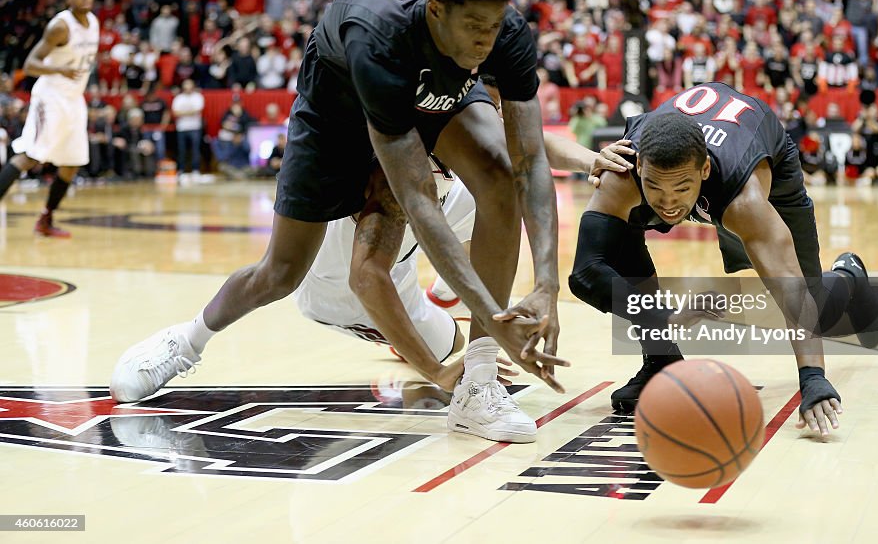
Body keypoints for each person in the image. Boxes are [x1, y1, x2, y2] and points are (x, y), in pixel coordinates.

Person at [110, 0, 567, 440]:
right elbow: (417, 197)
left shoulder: (504, 29)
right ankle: (186, 340)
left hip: (426, 87)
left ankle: (478, 384)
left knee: (499, 178)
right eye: (475, 27)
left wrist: (547, 285)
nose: (487, 40)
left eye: (495, 26)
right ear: (436, 10)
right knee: (281, 271)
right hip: (339, 107)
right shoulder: (377, 36)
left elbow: (530, 159)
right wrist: (492, 314)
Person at [112, 100, 631, 443]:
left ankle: (450, 296)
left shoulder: (466, 141)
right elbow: (368, 277)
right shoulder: (394, 168)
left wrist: (590, 160)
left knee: (491, 217)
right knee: (271, 275)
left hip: (401, 283)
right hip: (341, 294)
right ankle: (185, 340)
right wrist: (435, 372)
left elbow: (529, 145)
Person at [569, 82, 878, 437]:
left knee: (815, 307)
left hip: (763, 159)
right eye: (655, 187)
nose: (669, 203)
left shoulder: (745, 201)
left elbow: (791, 290)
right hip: (688, 150)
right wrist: (666, 320)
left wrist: (813, 377)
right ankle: (660, 361)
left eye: (681, 189)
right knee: (622, 232)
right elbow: (586, 273)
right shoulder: (623, 169)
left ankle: (848, 276)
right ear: (640, 165)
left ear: (704, 171)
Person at [0, 0, 98, 237]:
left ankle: (45, 220)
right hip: (51, 97)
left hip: (74, 99)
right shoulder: (60, 26)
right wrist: (59, 69)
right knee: (31, 155)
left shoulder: (94, 22)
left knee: (71, 163)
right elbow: (31, 64)